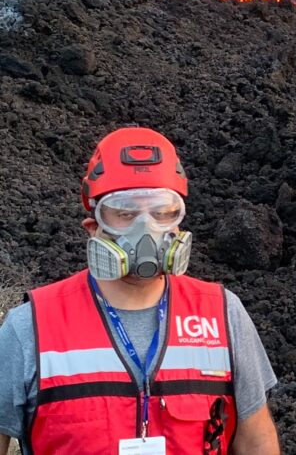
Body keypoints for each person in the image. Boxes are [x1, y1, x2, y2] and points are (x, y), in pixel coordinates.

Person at [0, 127, 281, 454]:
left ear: (178, 224)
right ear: (94, 227)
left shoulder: (222, 315)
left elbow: (256, 442)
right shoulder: (30, 329)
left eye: (163, 211)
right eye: (125, 213)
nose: (146, 229)